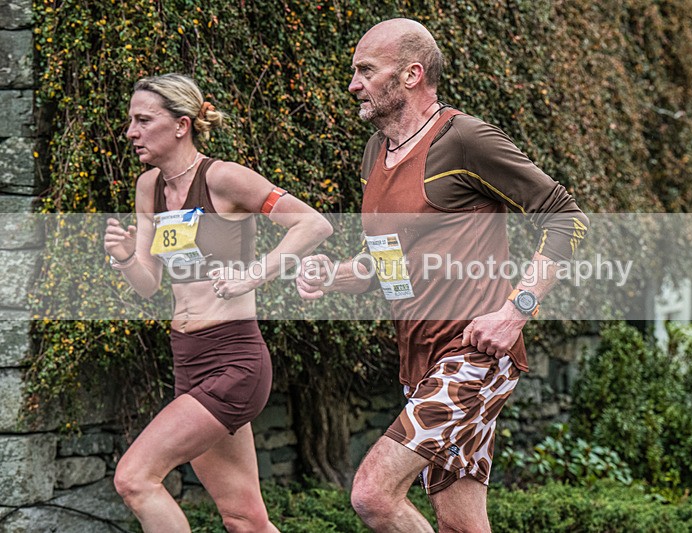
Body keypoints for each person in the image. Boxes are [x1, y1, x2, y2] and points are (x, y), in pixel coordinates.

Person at [295, 18, 589, 533]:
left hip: (474, 354)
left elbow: (565, 215)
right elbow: (393, 262)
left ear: (410, 74)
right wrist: (335, 275)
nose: (353, 84)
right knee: (461, 525)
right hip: (420, 359)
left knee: (373, 495)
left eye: (366, 70)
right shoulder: (375, 154)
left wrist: (515, 312)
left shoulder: (463, 139)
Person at [104, 73, 332, 533]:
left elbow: (313, 224)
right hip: (188, 360)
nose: (131, 132)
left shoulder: (224, 178)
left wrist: (256, 272)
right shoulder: (149, 187)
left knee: (135, 479)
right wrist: (128, 257)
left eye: (143, 120)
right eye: (131, 121)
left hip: (234, 360)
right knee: (244, 519)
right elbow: (149, 284)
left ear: (181, 124)